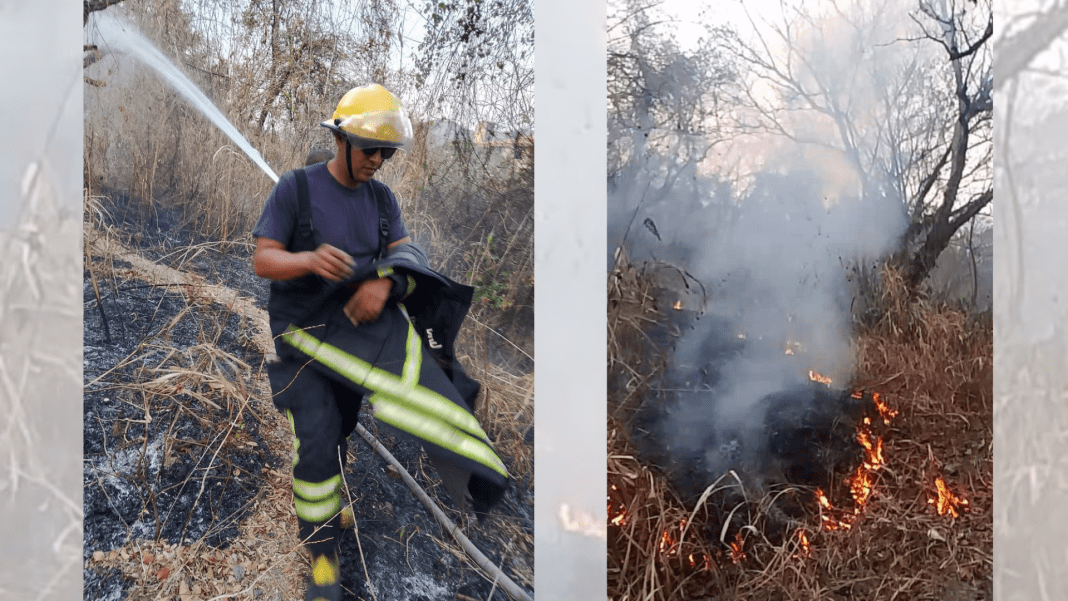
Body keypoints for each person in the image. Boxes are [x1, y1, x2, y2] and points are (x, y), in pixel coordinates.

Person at [252, 83, 509, 601]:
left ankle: (338, 489)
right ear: (342, 140)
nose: (380, 160)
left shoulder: (383, 200)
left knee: (344, 424)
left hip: (357, 338)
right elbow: (262, 259)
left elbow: (408, 254)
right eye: (371, 149)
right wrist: (305, 260)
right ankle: (323, 555)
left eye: (387, 152)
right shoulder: (295, 189)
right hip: (304, 336)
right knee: (318, 437)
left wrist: (385, 283)